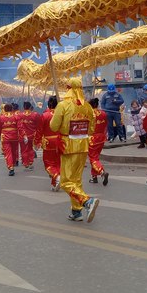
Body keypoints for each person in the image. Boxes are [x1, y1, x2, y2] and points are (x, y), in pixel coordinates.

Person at [51, 78, 99, 222]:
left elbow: (53, 126)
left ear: (68, 88)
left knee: (65, 182)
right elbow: (92, 129)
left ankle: (87, 201)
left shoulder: (63, 105)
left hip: (68, 146)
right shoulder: (88, 107)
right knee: (76, 180)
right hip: (83, 145)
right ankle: (76, 211)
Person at [34, 96, 61, 191]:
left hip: (49, 142)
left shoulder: (45, 115)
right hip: (61, 141)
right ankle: (54, 184)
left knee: (48, 164)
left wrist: (36, 142)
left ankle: (57, 177)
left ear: (49, 104)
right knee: (58, 163)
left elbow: (39, 130)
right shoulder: (61, 115)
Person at [87, 98, 110, 185]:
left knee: (93, 159)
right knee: (96, 157)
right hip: (101, 138)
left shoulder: (89, 114)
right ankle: (94, 177)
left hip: (92, 139)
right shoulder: (103, 113)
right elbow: (106, 125)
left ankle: (102, 172)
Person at [0, 104, 20, 176]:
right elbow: (20, 127)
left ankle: (11, 167)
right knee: (14, 151)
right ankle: (14, 162)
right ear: (12, 109)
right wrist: (23, 135)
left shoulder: (1, 117)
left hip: (5, 137)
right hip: (15, 137)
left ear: (5, 109)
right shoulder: (16, 116)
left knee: (8, 153)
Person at [17, 101, 40, 171]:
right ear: (30, 107)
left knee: (24, 150)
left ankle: (25, 164)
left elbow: (19, 126)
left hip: (23, 136)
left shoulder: (20, 115)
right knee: (30, 149)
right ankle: (30, 162)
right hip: (32, 136)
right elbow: (38, 126)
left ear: (24, 107)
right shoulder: (35, 115)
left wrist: (23, 135)